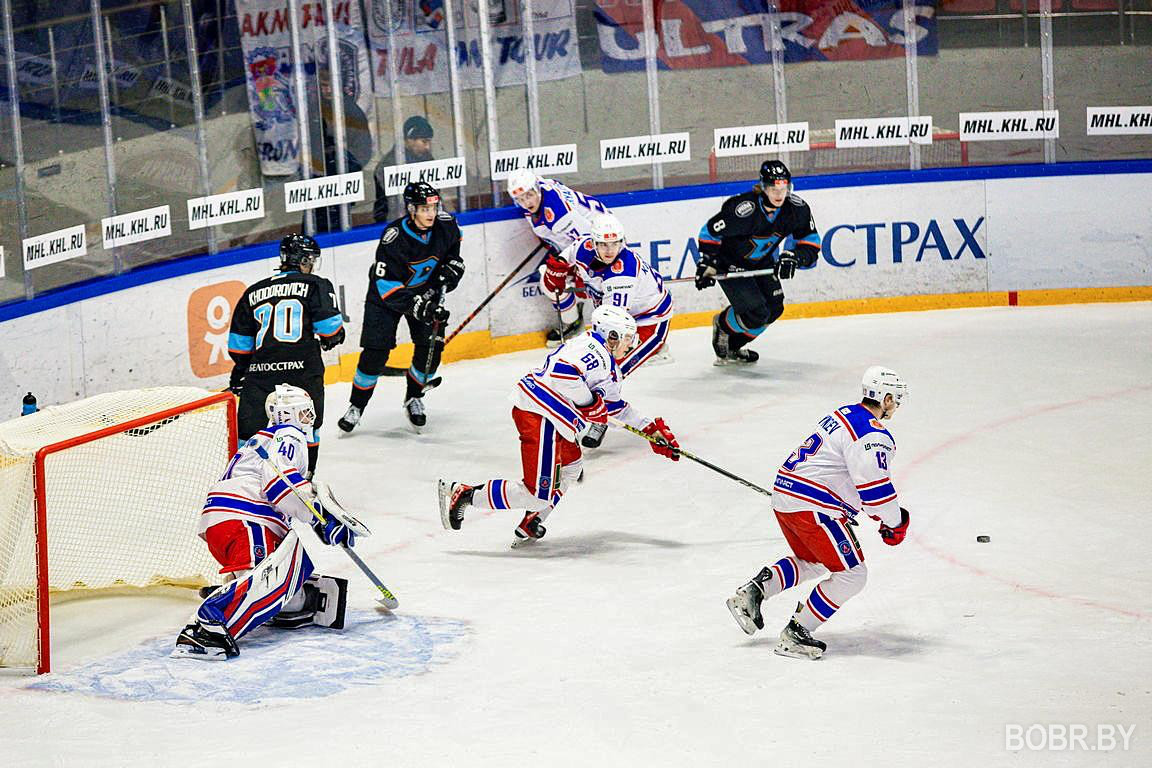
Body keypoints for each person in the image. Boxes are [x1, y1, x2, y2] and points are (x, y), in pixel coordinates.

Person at [437, 305, 680, 547]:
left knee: (572, 467)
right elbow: (563, 373)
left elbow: (615, 407)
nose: (632, 343)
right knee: (535, 494)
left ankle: (532, 519)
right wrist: (589, 403)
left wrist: (650, 430)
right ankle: (467, 495)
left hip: (554, 418)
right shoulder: (593, 349)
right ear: (611, 335)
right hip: (541, 414)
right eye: (628, 337)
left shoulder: (604, 360)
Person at [724, 366, 910, 660]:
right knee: (852, 575)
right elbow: (875, 493)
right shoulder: (873, 434)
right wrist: (896, 522)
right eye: (895, 400)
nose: (896, 407)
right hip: (812, 505)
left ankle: (754, 592)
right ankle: (796, 634)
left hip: (786, 496)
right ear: (885, 399)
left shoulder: (844, 414)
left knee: (816, 561)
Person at [173, 385, 357, 660]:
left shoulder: (262, 440)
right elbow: (278, 481)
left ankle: (235, 590)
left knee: (287, 596)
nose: (309, 418)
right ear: (288, 414)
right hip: (247, 518)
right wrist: (319, 516)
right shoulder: (289, 435)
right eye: (304, 413)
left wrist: (319, 520)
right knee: (267, 582)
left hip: (224, 522)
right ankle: (205, 629)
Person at [338, 181, 464, 432]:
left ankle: (414, 397)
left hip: (423, 291)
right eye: (424, 209)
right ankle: (356, 406)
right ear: (411, 209)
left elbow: (453, 256)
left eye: (433, 208)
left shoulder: (447, 225)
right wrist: (421, 308)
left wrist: (452, 271)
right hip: (386, 298)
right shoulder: (393, 238)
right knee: (376, 352)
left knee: (431, 348)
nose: (431, 214)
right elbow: (388, 288)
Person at [227, 233, 344, 474]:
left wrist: (243, 372)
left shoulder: (253, 292)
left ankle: (242, 482)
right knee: (308, 427)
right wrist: (334, 337)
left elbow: (238, 347)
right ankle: (304, 480)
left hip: (261, 376)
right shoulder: (315, 284)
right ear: (304, 261)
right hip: (303, 372)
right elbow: (330, 329)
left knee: (249, 434)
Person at [694, 159, 822, 365]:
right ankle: (723, 325)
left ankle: (734, 347)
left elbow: (811, 243)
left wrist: (795, 257)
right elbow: (709, 232)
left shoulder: (796, 209)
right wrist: (708, 262)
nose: (779, 194)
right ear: (763, 187)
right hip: (730, 264)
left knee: (774, 309)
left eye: (784, 187)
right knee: (756, 314)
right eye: (773, 187)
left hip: (761, 263)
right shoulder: (743, 210)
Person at [549, 212, 672, 378]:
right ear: (593, 243)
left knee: (609, 370)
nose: (610, 250)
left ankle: (655, 346)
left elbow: (612, 325)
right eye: (603, 244)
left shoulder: (622, 277)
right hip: (625, 312)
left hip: (649, 320)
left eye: (615, 244)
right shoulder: (583, 247)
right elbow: (570, 252)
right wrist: (559, 266)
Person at [505, 169, 611, 345]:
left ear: (536, 189)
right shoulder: (538, 191)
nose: (526, 202)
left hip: (604, 246)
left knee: (608, 289)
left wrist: (583, 267)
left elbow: (586, 238)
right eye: (521, 199)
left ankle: (633, 329)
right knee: (549, 279)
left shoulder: (558, 211)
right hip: (578, 244)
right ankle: (573, 323)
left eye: (529, 195)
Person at [311, 66, 374, 233]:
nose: (327, 90)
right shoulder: (314, 108)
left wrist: (347, 170)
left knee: (338, 222)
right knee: (313, 223)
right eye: (324, 85)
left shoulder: (350, 110)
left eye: (331, 85)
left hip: (342, 178)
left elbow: (363, 150)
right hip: (319, 180)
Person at [373, 115, 435, 224]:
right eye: (424, 141)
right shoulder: (389, 165)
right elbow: (393, 205)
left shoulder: (427, 158)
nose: (427, 147)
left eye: (429, 142)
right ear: (409, 140)